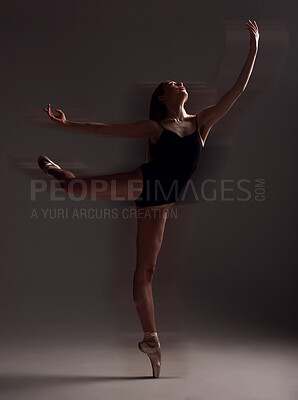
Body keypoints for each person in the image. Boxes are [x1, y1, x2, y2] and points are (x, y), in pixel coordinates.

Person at [38, 20, 259, 378]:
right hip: (145, 184)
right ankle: (61, 174)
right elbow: (107, 130)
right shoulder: (156, 128)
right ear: (162, 97)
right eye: (172, 84)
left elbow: (236, 91)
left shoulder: (202, 122)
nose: (179, 83)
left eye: (178, 82)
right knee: (76, 188)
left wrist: (253, 50)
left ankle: (151, 341)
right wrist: (67, 125)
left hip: (161, 204)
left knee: (146, 272)